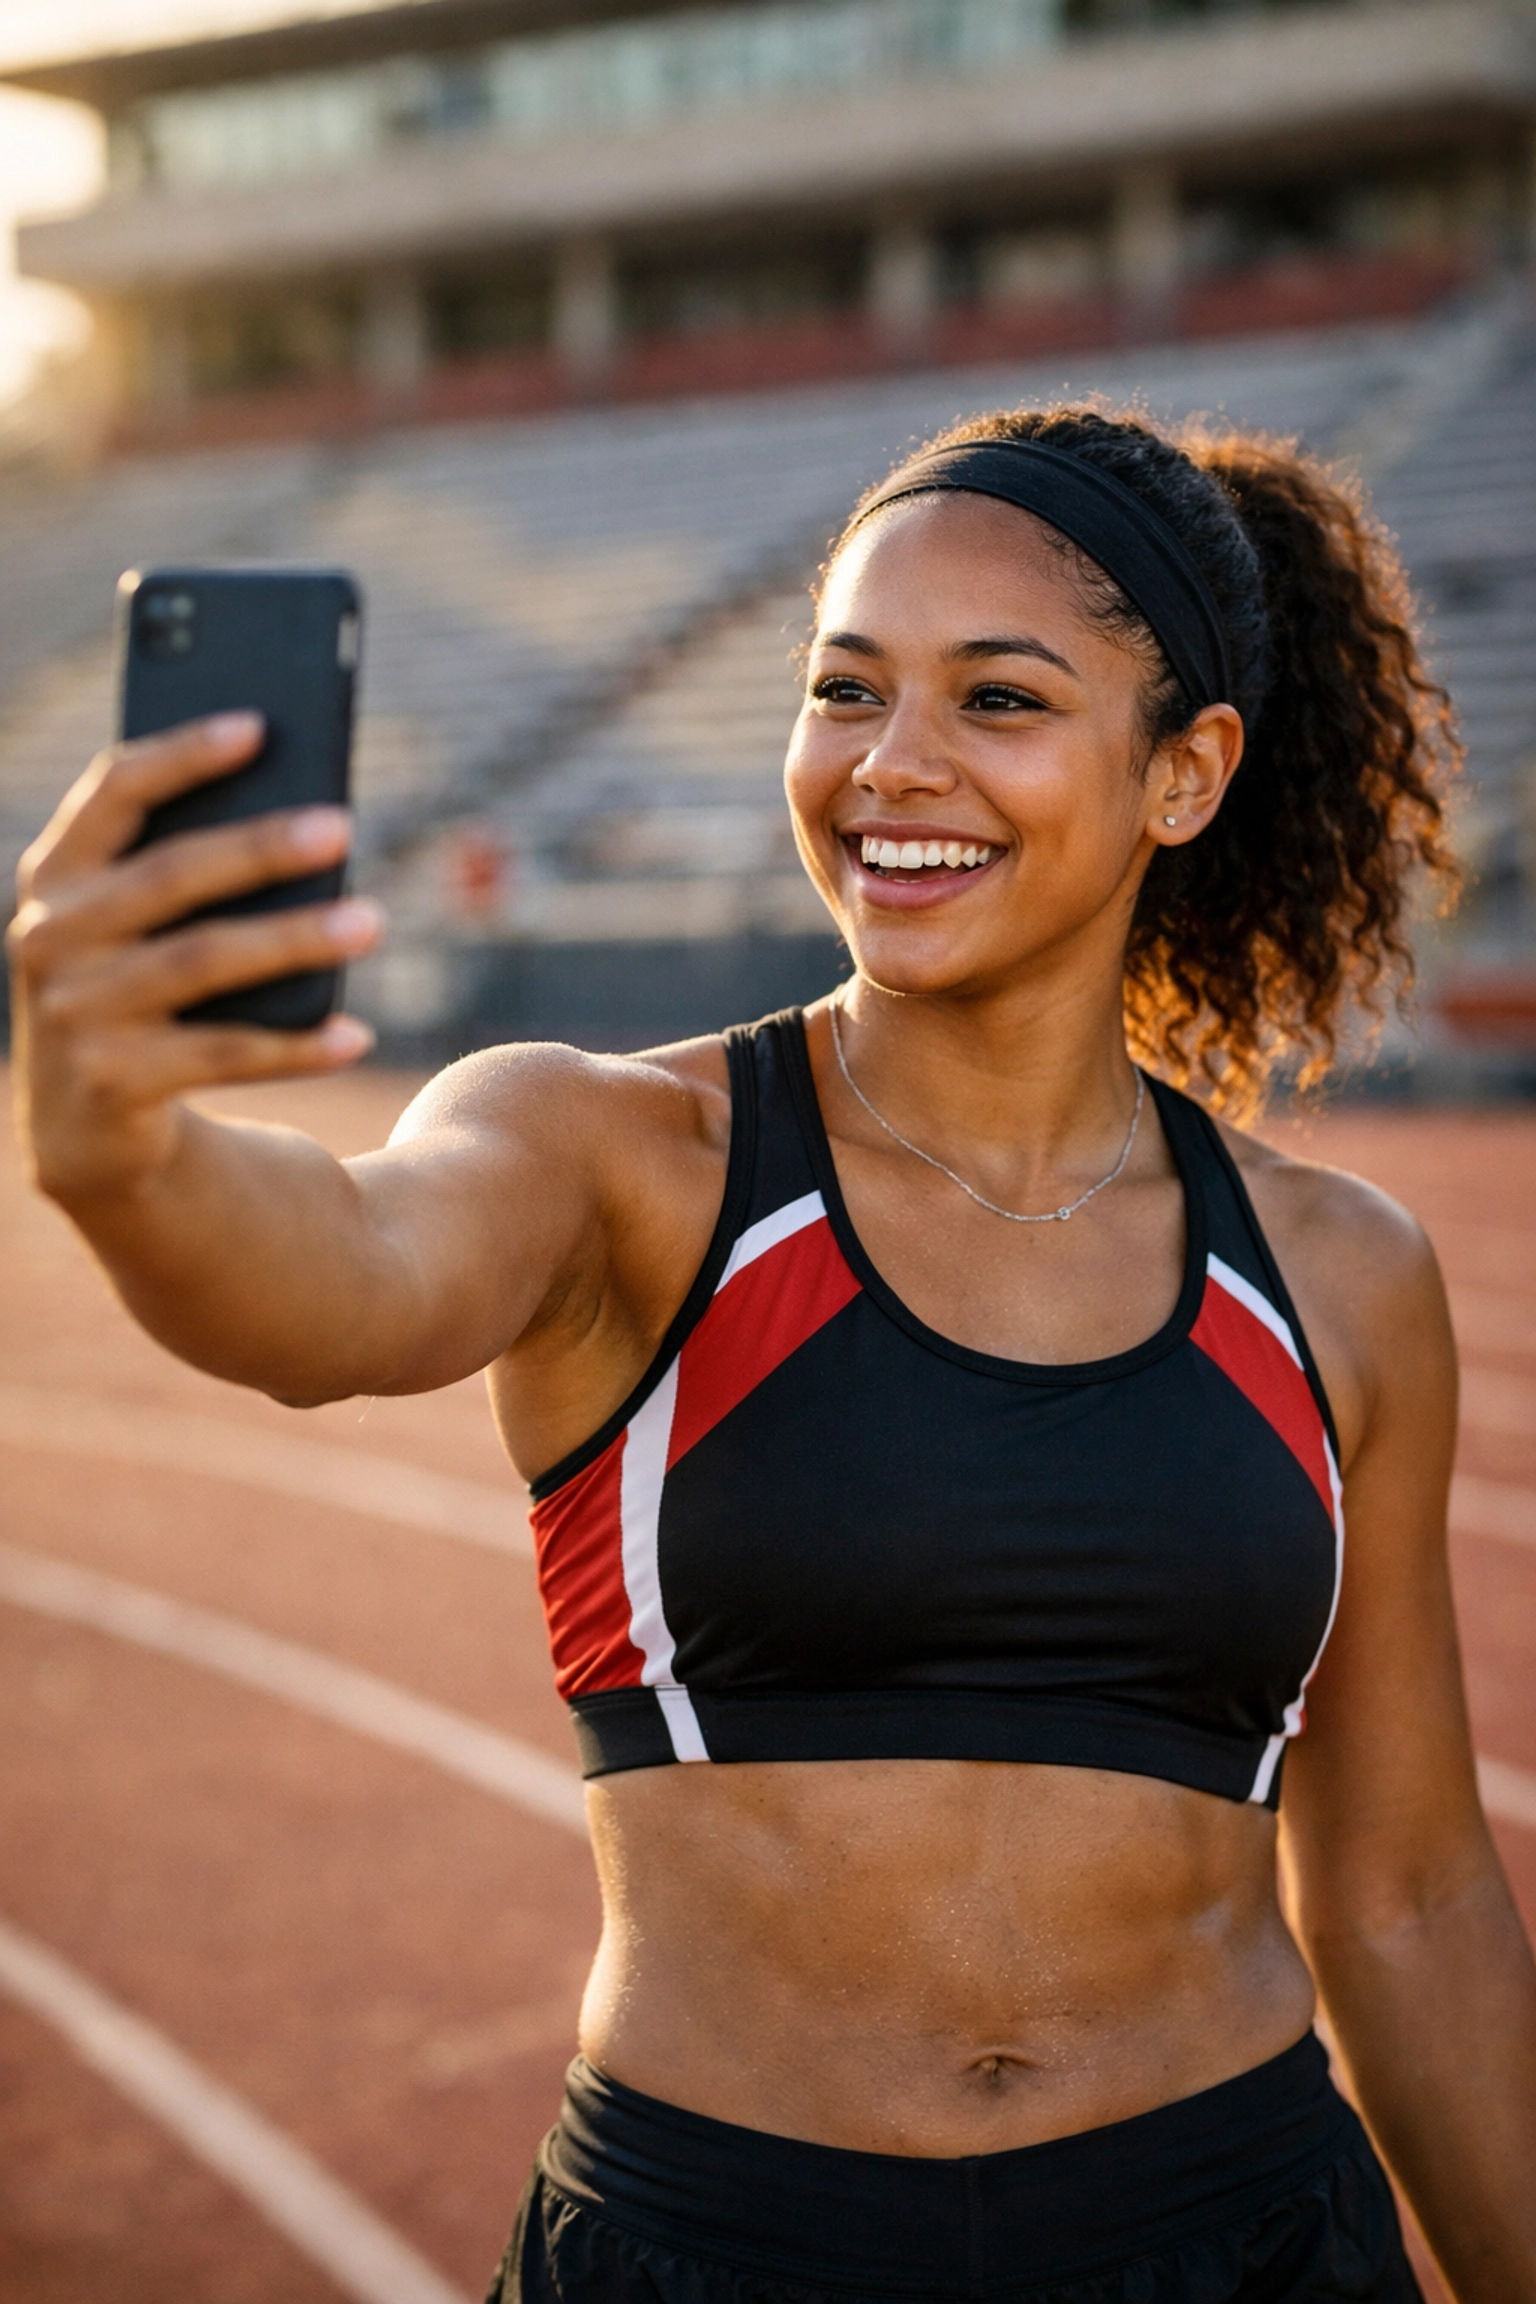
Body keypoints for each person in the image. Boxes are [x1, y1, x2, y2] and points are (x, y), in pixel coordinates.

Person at [10, 404, 1536, 2304]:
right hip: (720, 2250)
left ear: (1185, 773)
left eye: (1000, 701)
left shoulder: (1336, 1273)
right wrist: (126, 1158)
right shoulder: (614, 1157)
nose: (893, 767)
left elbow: (1407, 1899)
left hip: (1244, 2238)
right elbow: (337, 1283)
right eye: (843, 691)